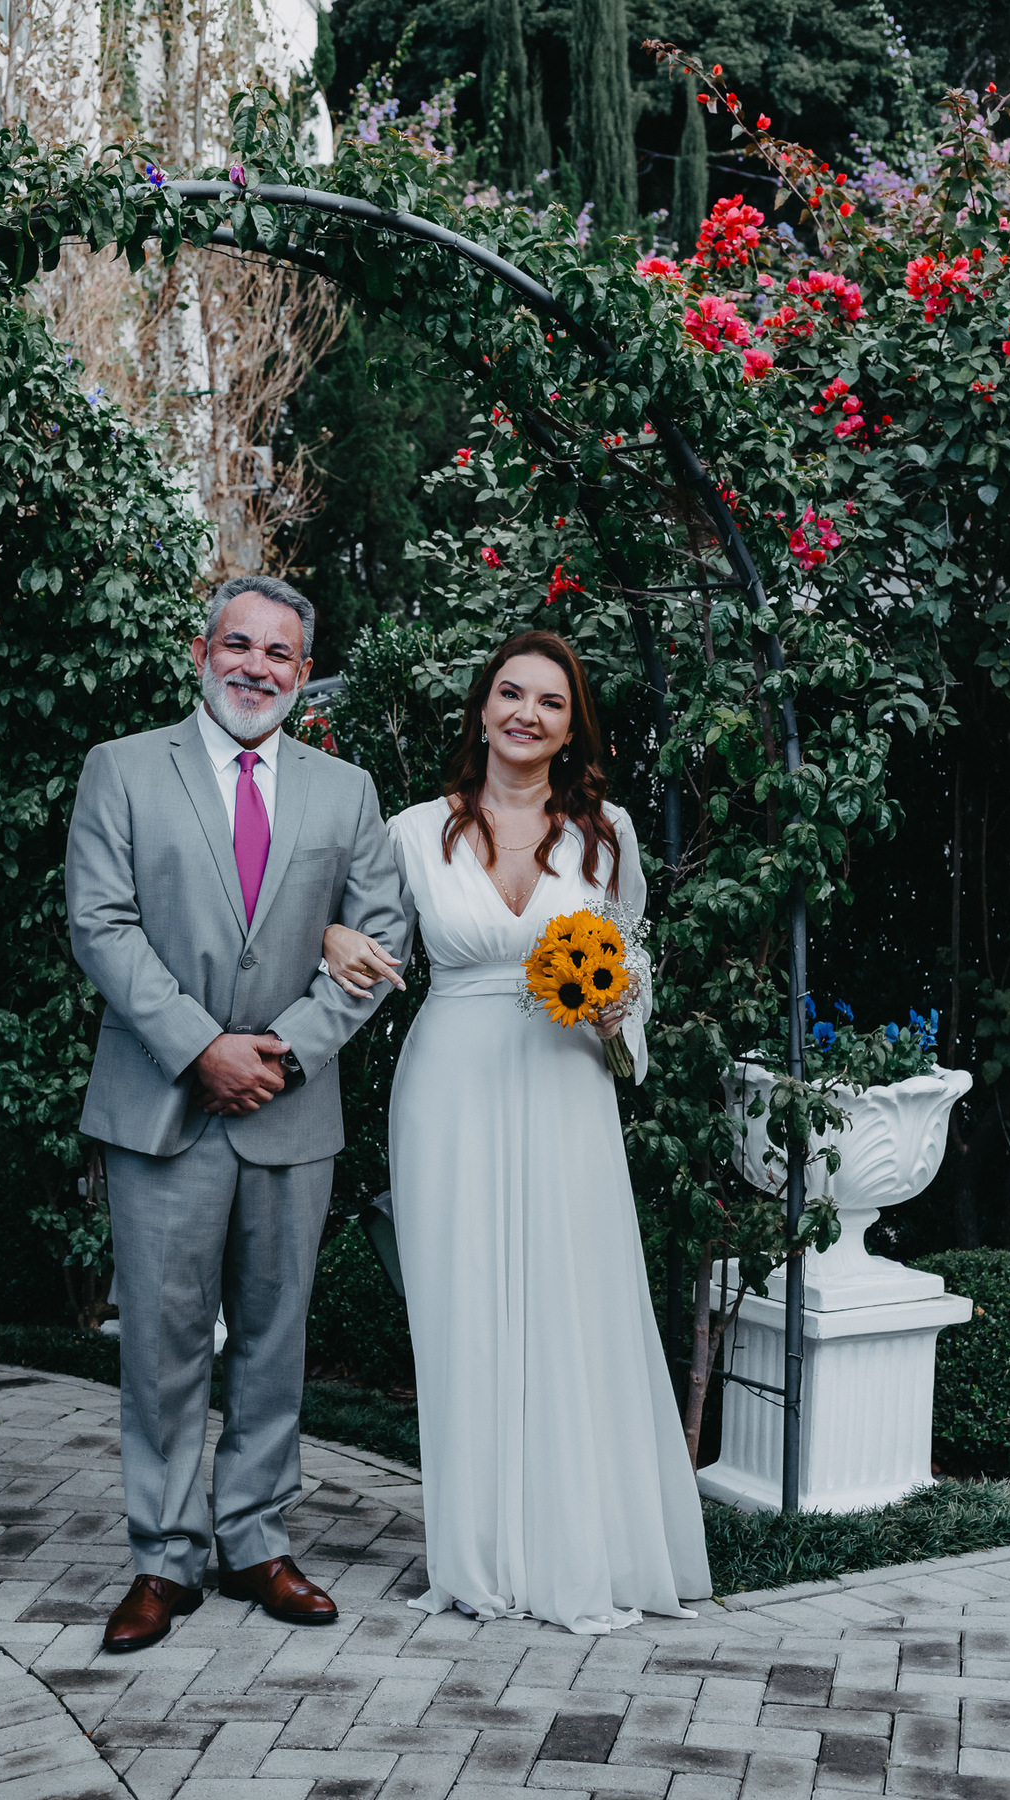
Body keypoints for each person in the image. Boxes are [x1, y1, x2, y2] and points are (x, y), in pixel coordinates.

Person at [322, 629, 711, 1634]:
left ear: (572, 727)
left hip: (566, 1083)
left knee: (571, 1303)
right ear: (483, 708)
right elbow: (359, 937)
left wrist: (619, 1013)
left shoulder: (608, 835)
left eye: (549, 701)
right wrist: (332, 934)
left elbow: (632, 966)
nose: (525, 714)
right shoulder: (414, 832)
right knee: (461, 1311)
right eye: (510, 693)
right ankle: (479, 1556)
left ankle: (582, 1546)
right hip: (448, 1087)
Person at [66, 574, 410, 1652]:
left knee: (273, 1338)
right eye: (239, 645)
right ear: (202, 652)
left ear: (304, 673)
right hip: (161, 1103)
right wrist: (200, 1049)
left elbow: (379, 934)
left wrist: (288, 1052)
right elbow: (101, 923)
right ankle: (164, 1557)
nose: (257, 667)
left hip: (289, 1111)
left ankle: (255, 1538)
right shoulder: (123, 768)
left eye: (279, 653)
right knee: (162, 1341)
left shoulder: (345, 791)